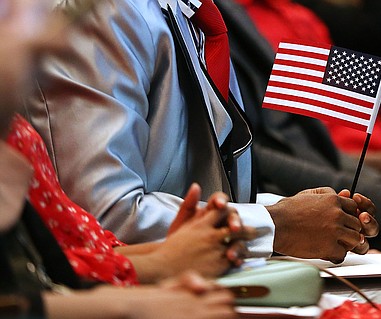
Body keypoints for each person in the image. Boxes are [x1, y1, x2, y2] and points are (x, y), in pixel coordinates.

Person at [22, 0, 381, 317]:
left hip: (216, 240)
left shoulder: (186, 10)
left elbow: (229, 162)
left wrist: (306, 212)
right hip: (165, 264)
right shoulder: (102, 14)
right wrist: (276, 224)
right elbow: (105, 215)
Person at [0, 1, 236, 318]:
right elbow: (108, 213)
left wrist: (169, 253)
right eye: (7, 15)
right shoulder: (114, 10)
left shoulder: (17, 133)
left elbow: (47, 264)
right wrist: (154, 273)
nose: (52, 40)